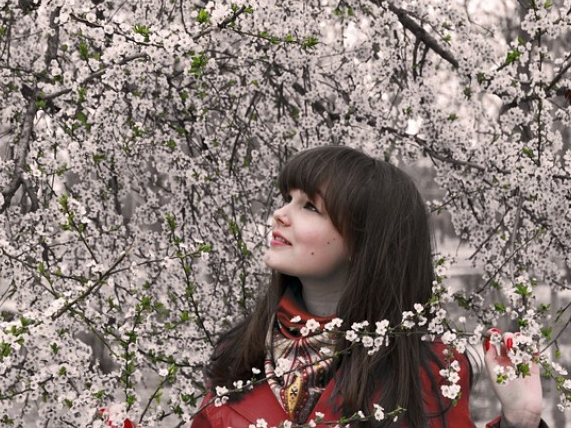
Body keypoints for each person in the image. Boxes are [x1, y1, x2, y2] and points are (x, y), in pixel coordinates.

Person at [192, 145, 545, 428]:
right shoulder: (239, 354)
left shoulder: (429, 369)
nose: (280, 214)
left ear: (365, 243)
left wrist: (520, 422)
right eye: (287, 198)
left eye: (310, 207)